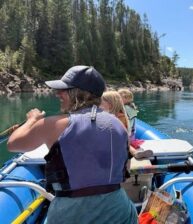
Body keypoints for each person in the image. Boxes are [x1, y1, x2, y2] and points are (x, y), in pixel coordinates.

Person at [7, 65, 138, 224]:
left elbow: (13, 144)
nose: (58, 94)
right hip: (120, 210)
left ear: (78, 93)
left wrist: (32, 120)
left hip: (72, 213)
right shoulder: (118, 125)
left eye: (63, 90)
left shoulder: (55, 124)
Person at [101, 90, 153, 160]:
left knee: (123, 145)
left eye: (102, 102)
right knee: (125, 145)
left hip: (115, 144)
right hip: (124, 141)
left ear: (110, 104)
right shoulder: (123, 114)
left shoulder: (116, 117)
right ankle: (135, 153)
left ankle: (135, 153)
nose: (100, 104)